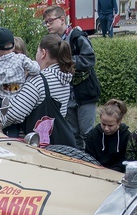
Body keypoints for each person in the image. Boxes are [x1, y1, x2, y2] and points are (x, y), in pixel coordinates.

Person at [43, 5, 101, 150]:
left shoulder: (76, 36)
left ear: (62, 19)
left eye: (50, 21)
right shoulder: (54, 42)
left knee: (87, 132)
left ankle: (91, 161)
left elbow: (90, 59)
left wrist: (66, 61)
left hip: (85, 92)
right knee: (73, 133)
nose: (47, 25)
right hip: (67, 94)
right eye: (46, 22)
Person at [0, 34, 74, 146]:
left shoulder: (39, 81)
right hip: (56, 142)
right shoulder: (64, 77)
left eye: (37, 51)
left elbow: (14, 114)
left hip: (35, 144)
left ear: (43, 53)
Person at [0, 28, 40, 137]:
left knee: (8, 128)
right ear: (13, 45)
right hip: (20, 99)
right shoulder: (21, 59)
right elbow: (36, 69)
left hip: (2, 102)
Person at [84, 99, 130, 172]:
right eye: (103, 124)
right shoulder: (92, 135)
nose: (106, 128)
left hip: (117, 173)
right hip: (95, 171)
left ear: (119, 122)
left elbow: (124, 161)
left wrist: (110, 172)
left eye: (110, 125)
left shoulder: (126, 136)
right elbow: (89, 158)